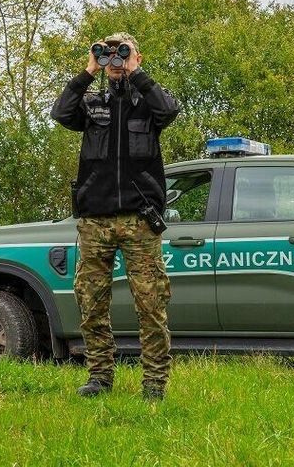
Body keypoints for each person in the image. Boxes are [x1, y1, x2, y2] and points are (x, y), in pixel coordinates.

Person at [50, 32, 181, 401]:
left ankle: (155, 383)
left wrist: (137, 71)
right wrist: (88, 71)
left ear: (136, 57)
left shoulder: (148, 103)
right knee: (90, 302)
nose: (116, 61)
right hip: (95, 220)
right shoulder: (92, 105)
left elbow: (168, 111)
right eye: (109, 56)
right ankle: (100, 376)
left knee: (151, 303)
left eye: (122, 54)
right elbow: (61, 113)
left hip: (140, 220)